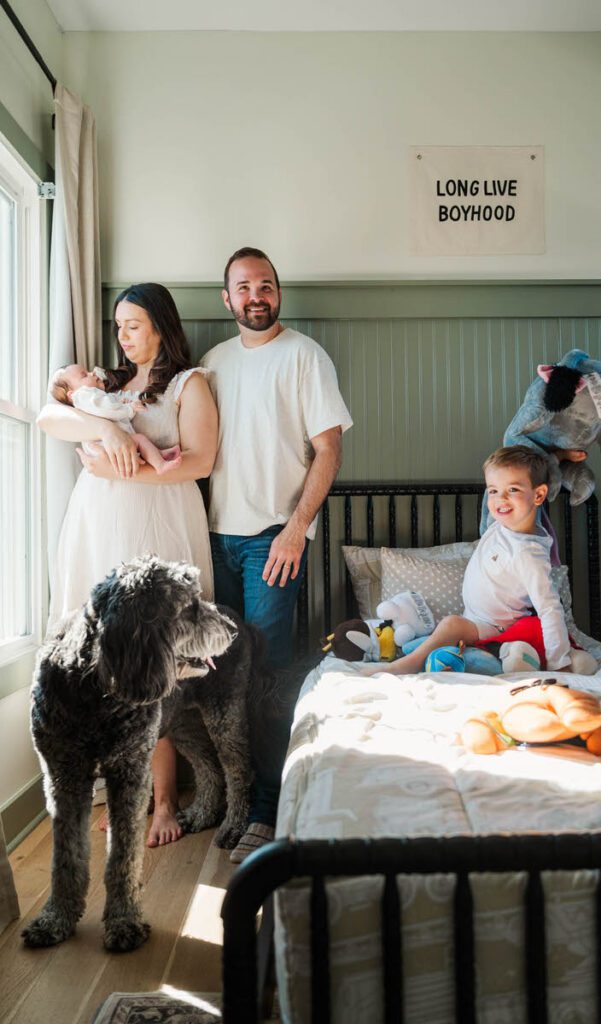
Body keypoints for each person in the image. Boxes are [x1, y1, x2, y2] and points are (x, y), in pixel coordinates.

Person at [37, 282, 218, 847]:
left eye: (133, 325)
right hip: (99, 527)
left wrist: (123, 469)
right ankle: (118, 797)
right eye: (118, 326)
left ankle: (162, 800)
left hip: (157, 525)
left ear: (161, 325)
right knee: (100, 662)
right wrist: (107, 427)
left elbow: (200, 460)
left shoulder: (190, 385)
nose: (122, 336)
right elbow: (48, 415)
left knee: (150, 662)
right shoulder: (106, 387)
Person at [201, 246, 353, 863]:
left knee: (265, 674)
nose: (256, 296)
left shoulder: (305, 357)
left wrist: (296, 529)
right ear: (227, 298)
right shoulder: (211, 365)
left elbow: (329, 451)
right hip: (212, 537)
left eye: (266, 285)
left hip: (273, 539)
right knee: (215, 676)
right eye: (244, 287)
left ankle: (269, 809)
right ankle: (233, 802)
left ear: (279, 293)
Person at [373, 445, 572, 675]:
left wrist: (560, 663)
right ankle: (441, 651)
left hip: (496, 629)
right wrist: (554, 457)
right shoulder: (502, 526)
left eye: (513, 489)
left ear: (538, 495)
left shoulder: (528, 553)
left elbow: (549, 607)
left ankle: (406, 665)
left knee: (451, 624)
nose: (501, 499)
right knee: (441, 631)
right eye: (493, 490)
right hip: (475, 619)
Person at [50, 363, 182, 475]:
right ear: (72, 394)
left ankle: (158, 455)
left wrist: (121, 402)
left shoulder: (91, 397)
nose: (92, 373)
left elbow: (106, 403)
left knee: (139, 442)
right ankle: (160, 465)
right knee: (140, 440)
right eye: (84, 375)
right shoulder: (83, 395)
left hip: (107, 446)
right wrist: (129, 408)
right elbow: (107, 408)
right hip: (104, 446)